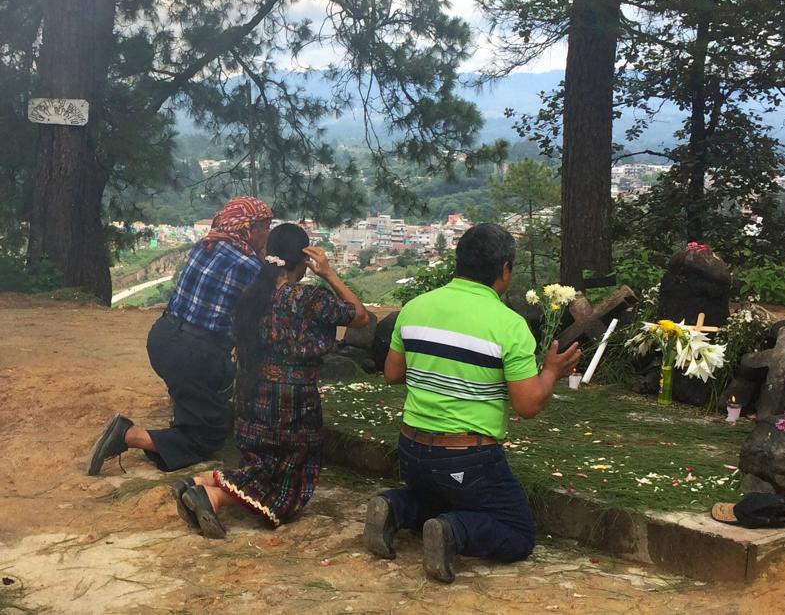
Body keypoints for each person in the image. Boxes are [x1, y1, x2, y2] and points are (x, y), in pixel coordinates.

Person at [362, 223, 580, 582]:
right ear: (505, 269)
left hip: (412, 451)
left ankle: (394, 507)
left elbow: (392, 373)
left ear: (458, 262)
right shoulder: (509, 325)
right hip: (467, 457)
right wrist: (552, 373)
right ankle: (453, 533)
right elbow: (527, 406)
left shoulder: (415, 308)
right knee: (517, 532)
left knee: (443, 496)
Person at [173, 223, 368, 538]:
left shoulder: (252, 295)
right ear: (304, 259)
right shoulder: (306, 298)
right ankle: (213, 496)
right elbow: (360, 317)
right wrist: (329, 274)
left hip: (253, 393)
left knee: (262, 464)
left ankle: (197, 483)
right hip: (294, 400)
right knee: (286, 489)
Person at [87, 196, 273, 475]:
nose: (266, 235)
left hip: (163, 338)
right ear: (249, 228)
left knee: (196, 390)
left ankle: (180, 415)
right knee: (209, 435)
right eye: (265, 228)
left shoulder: (206, 245)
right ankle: (127, 435)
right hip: (195, 353)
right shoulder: (250, 267)